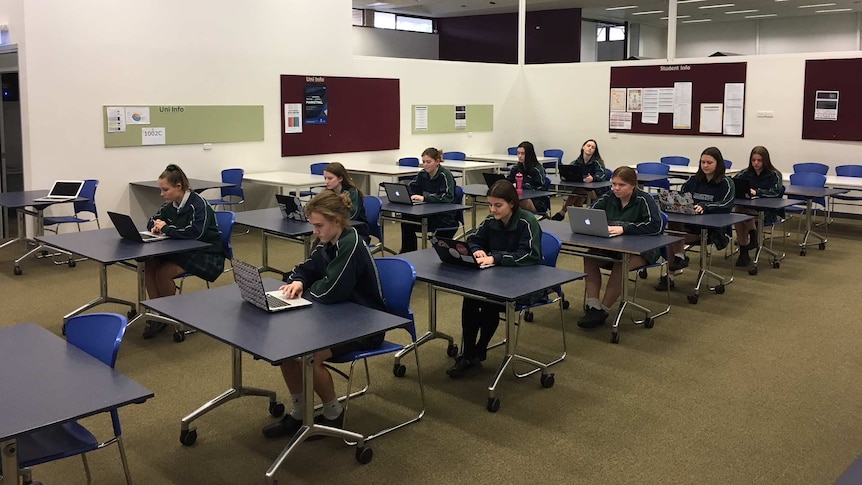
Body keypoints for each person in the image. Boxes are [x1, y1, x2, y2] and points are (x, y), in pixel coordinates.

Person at [262, 190, 386, 439]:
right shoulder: (327, 241)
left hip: (365, 325)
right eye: (313, 226)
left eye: (319, 226)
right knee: (288, 352)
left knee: (308, 357)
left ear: (337, 221)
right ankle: (299, 412)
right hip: (335, 317)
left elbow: (331, 290)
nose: (315, 231)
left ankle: (333, 414)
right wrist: (298, 281)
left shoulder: (350, 244)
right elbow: (305, 268)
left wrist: (305, 290)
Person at [446, 180, 542, 378]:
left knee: (489, 302)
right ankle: (471, 352)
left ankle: (477, 350)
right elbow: (473, 239)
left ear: (512, 204)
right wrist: (478, 250)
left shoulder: (527, 221)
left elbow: (530, 255)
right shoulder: (491, 221)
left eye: (498, 205)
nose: (493, 209)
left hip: (526, 282)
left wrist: (495, 258)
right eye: (490, 205)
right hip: (497, 277)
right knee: (471, 298)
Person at [143, 164, 225, 338]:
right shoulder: (171, 205)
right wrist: (155, 226)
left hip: (206, 253)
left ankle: (166, 315)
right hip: (182, 250)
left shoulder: (198, 205)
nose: (162, 194)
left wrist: (166, 229)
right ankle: (158, 311)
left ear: (178, 187)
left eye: (165, 190)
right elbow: (152, 220)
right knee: (149, 264)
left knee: (163, 273)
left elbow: (195, 233)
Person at [577, 167, 663, 328]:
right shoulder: (609, 197)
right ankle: (593, 305)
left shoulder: (645, 200)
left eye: (621, 185)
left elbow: (655, 226)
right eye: (614, 184)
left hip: (642, 250)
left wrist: (625, 229)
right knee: (590, 257)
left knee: (621, 263)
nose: (616, 188)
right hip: (612, 246)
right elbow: (591, 214)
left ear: (633, 185)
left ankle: (603, 309)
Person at [656, 147, 735, 291]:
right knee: (673, 226)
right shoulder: (693, 180)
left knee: (674, 238)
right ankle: (678, 259)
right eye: (703, 162)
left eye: (709, 162)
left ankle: (672, 272)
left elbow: (726, 203)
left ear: (718, 164)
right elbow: (682, 196)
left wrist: (706, 206)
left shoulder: (726, 183)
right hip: (689, 225)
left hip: (711, 229)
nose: (705, 165)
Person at [399, 147, 458, 253]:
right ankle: (408, 251)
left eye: (428, 162)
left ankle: (436, 251)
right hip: (426, 212)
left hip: (444, 216)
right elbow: (411, 187)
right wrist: (411, 196)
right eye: (423, 162)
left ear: (437, 162)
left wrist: (425, 198)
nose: (425, 165)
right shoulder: (422, 174)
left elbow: (447, 197)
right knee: (406, 218)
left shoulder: (445, 175)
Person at [732, 146, 783, 267]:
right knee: (739, 214)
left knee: (740, 214)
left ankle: (744, 251)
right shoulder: (745, 173)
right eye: (753, 160)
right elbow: (733, 183)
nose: (756, 163)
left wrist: (757, 192)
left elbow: (775, 192)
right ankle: (753, 237)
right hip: (748, 210)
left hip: (767, 212)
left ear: (765, 160)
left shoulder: (774, 175)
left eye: (759, 160)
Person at [551, 139, 608, 221]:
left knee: (579, 191)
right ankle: (580, 217)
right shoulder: (577, 161)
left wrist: (593, 178)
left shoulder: (597, 162)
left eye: (593, 147)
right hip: (583, 189)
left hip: (597, 191)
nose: (590, 148)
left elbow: (602, 174)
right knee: (579, 196)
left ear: (595, 151)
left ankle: (562, 212)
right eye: (588, 146)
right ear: (583, 147)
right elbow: (569, 169)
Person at [322, 162, 370, 245]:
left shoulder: (352, 192)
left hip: (356, 229)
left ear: (340, 179)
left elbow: (351, 215)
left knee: (328, 242)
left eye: (330, 178)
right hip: (336, 228)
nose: (326, 182)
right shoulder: (328, 193)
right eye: (325, 178)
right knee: (320, 243)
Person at [506, 141, 549, 215]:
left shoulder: (537, 169)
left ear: (529, 155)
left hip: (537, 200)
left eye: (522, 153)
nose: (519, 156)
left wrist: (521, 186)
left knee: (522, 200)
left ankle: (534, 218)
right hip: (519, 196)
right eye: (518, 153)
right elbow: (509, 181)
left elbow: (541, 187)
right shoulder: (516, 168)